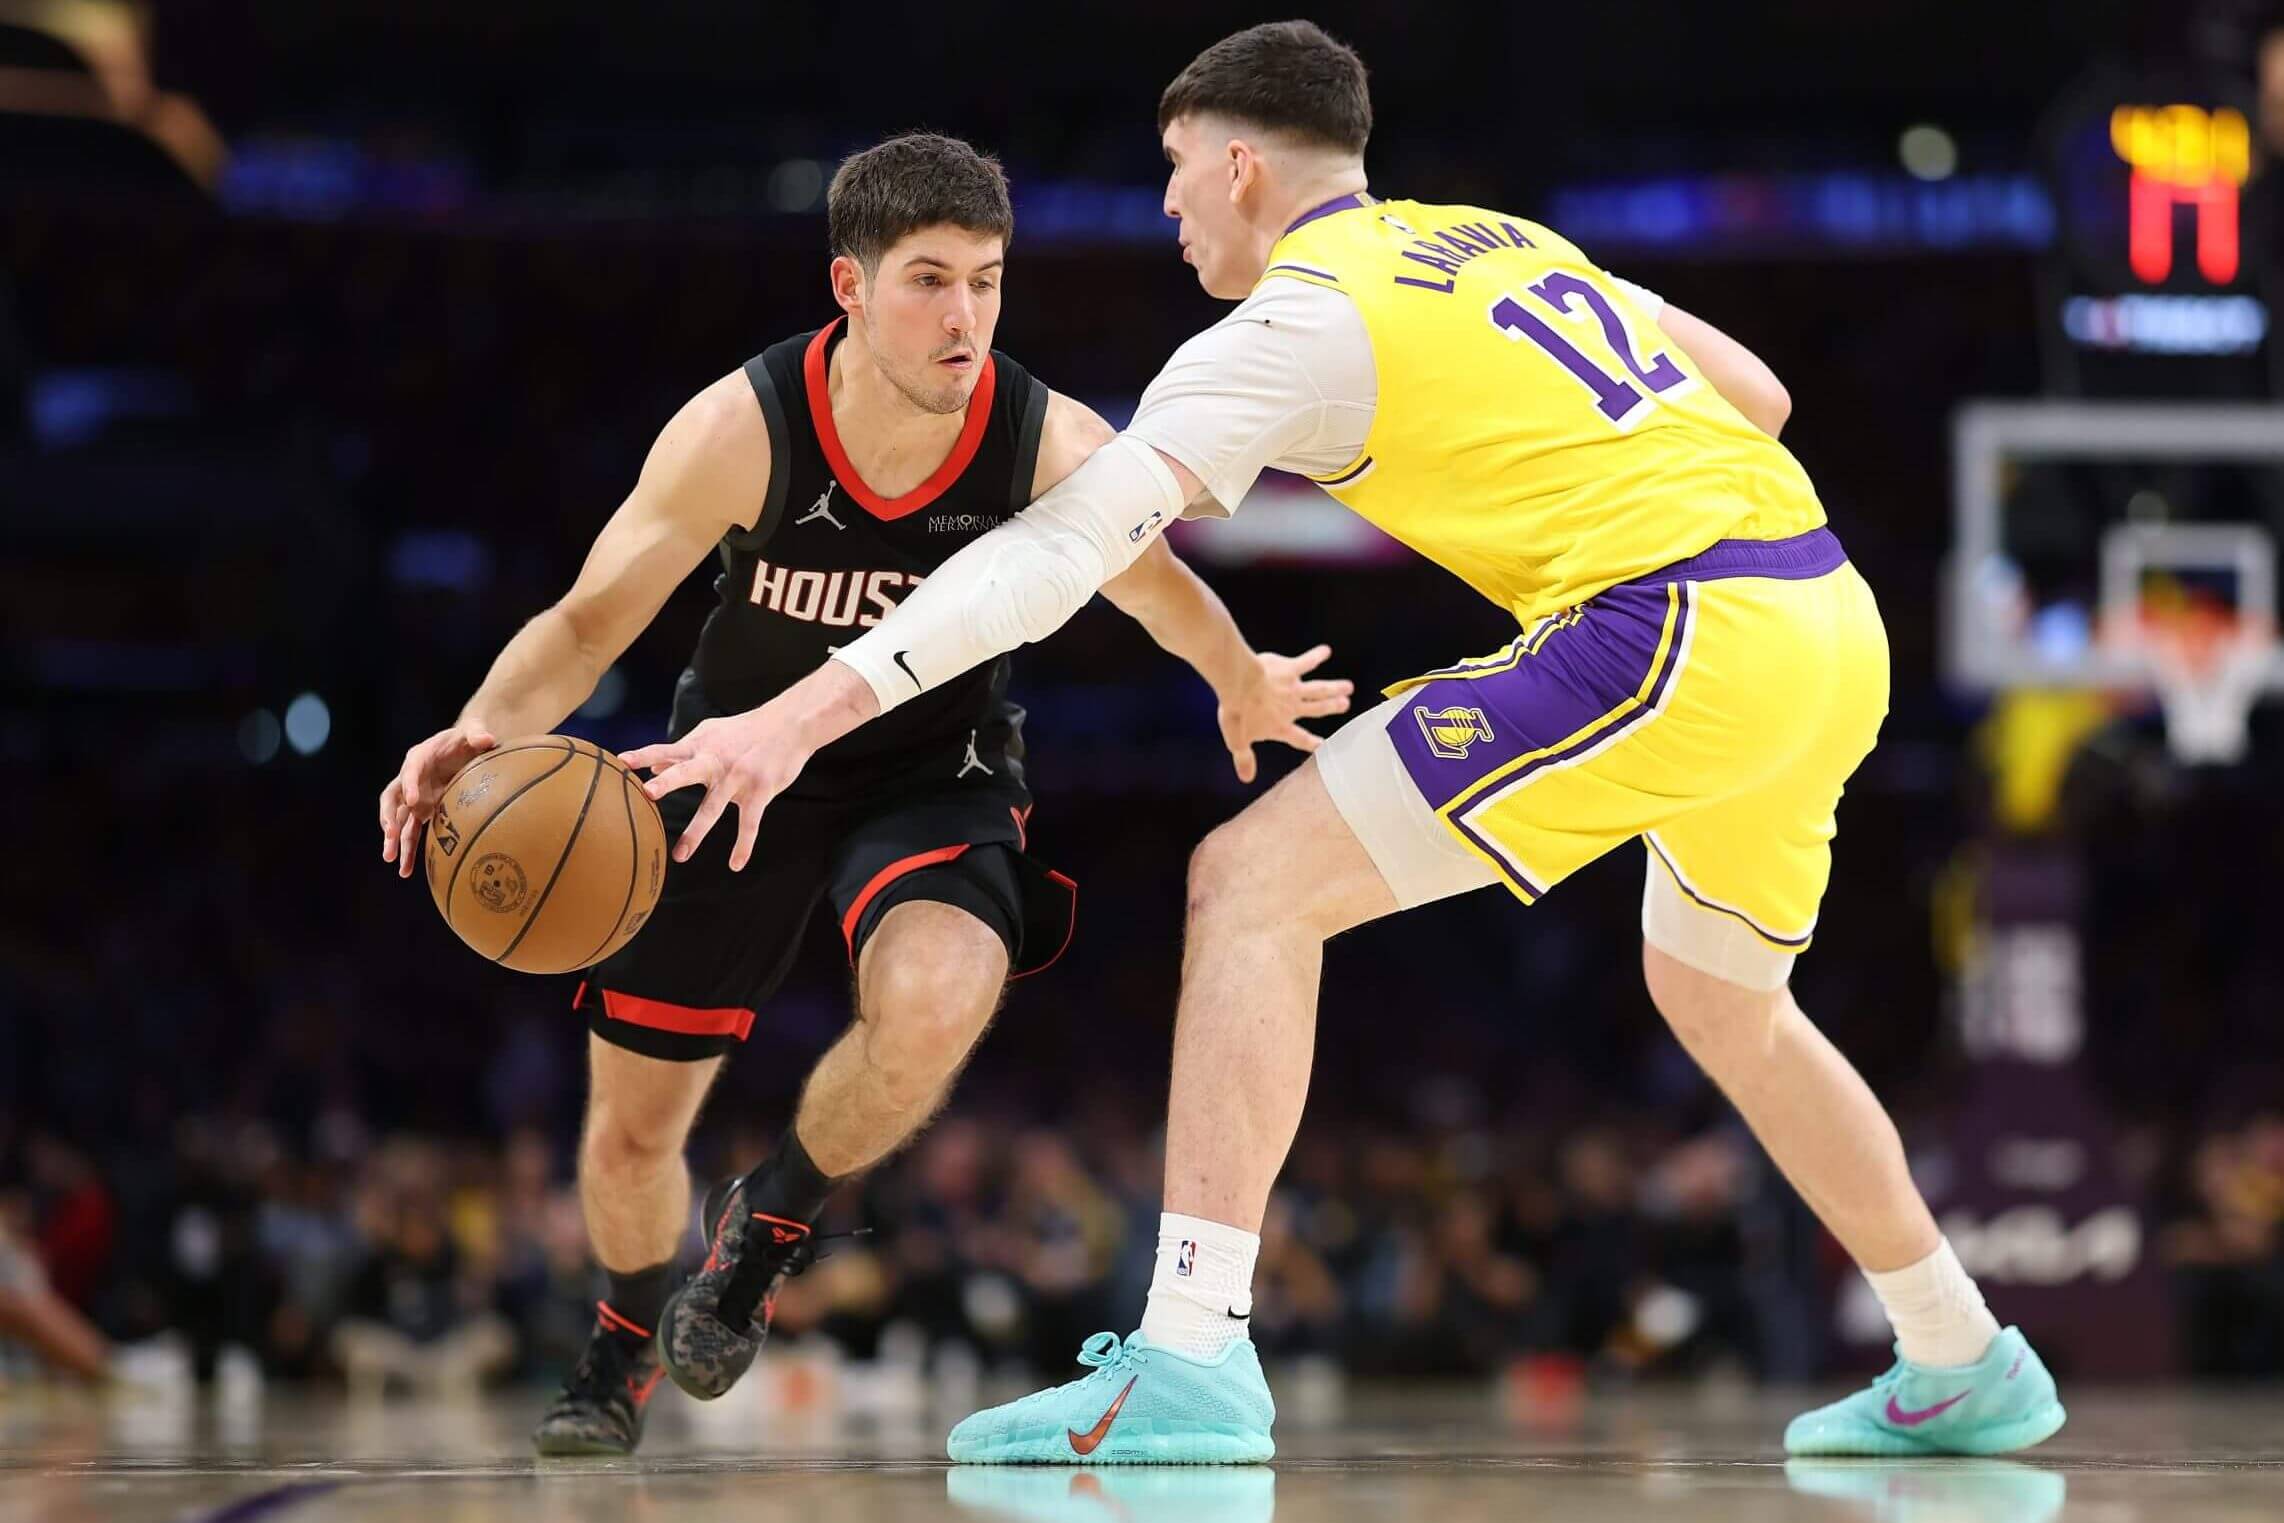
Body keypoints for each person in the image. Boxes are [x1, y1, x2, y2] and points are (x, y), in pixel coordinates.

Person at [626, 25, 2070, 1464]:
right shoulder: (1499, 240)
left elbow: (1061, 551)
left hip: (1676, 623)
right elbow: (1757, 396)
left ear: (1240, 166)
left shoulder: (1298, 321)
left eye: (1178, 169)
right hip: (1827, 617)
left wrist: (794, 717)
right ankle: (1959, 1352)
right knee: (1723, 1000)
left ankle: (1190, 1358)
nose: (1169, 203)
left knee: (1252, 883)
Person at [376, 131, 1350, 1455]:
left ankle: (769, 1223)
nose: (965, 319)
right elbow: (590, 622)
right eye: (929, 281)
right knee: (626, 1143)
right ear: (850, 286)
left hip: (932, 771)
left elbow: (1155, 581)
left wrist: (1238, 678)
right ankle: (621, 1339)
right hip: (730, 768)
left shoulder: (1044, 439)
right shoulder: (741, 429)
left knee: (944, 995)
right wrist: (481, 731)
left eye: (987, 282)